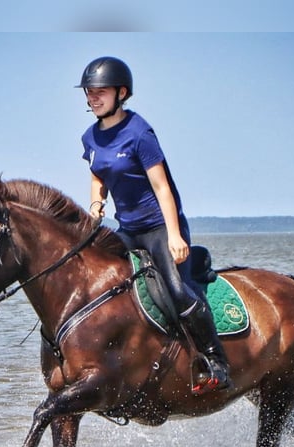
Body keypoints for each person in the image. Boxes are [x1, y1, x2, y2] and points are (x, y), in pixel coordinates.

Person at [77, 56, 233, 394]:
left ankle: (216, 362)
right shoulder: (90, 137)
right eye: (89, 92)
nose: (92, 97)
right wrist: (96, 204)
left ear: (121, 92)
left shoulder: (139, 133)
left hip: (160, 227)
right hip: (128, 229)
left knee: (177, 291)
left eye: (100, 91)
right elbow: (96, 173)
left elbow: (162, 187)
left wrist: (175, 235)